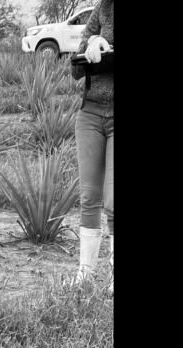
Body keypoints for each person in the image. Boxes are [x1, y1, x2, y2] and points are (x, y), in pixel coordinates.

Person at [70, 0, 114, 292]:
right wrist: (93, 42)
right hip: (90, 113)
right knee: (89, 197)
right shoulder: (103, 8)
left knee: (113, 201)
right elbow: (75, 68)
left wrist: (107, 48)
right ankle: (85, 275)